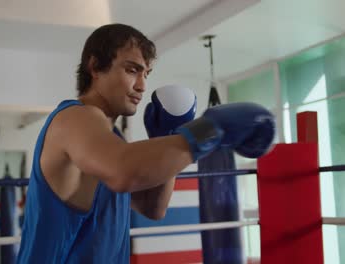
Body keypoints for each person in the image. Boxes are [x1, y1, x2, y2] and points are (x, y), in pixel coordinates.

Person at [17, 24, 275, 264]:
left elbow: (153, 207)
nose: (141, 86)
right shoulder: (75, 118)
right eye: (131, 70)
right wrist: (209, 130)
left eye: (146, 73)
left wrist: (165, 138)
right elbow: (122, 171)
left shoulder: (112, 139)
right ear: (94, 67)